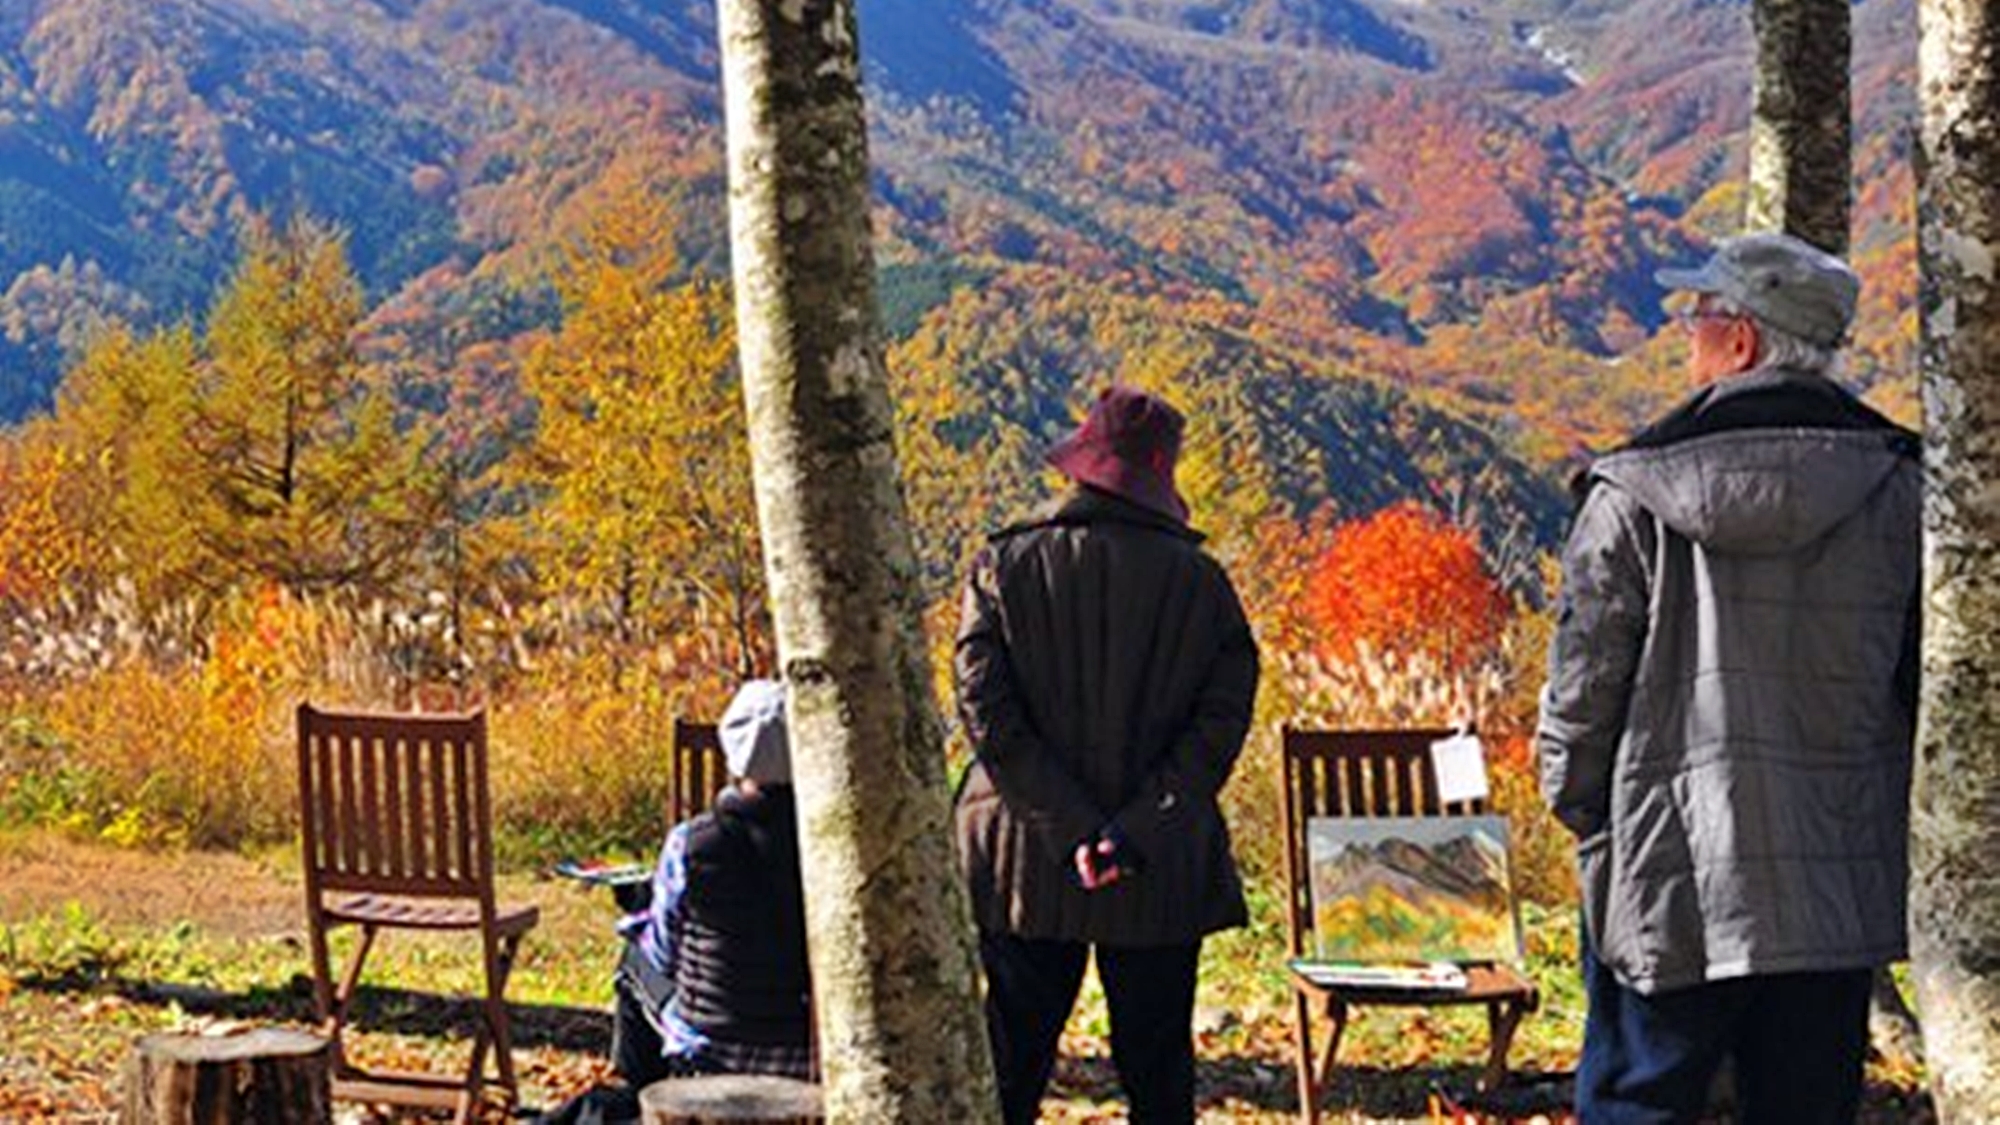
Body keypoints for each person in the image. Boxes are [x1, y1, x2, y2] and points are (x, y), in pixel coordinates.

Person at [1535, 232, 1920, 1124]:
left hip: (1668, 869)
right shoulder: (1906, 486)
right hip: (1834, 881)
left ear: (1741, 341)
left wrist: (1588, 817)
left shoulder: (1631, 491)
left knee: (1639, 1103)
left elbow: (1583, 693)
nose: (1686, 335)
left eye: (1699, 316)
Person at [953, 384, 1260, 1125]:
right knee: (1157, 1066)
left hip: (1023, 854)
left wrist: (1067, 827)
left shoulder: (1004, 565)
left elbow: (986, 712)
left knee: (1013, 1054)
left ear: (1083, 465)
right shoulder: (1203, 586)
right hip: (1157, 865)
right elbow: (1217, 727)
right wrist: (1130, 832)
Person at [542, 680, 812, 1125]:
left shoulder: (694, 843)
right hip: (815, 1051)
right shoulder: (839, 852)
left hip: (715, 1055)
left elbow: (663, 954)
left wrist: (638, 918)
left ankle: (639, 1089)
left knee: (633, 961)